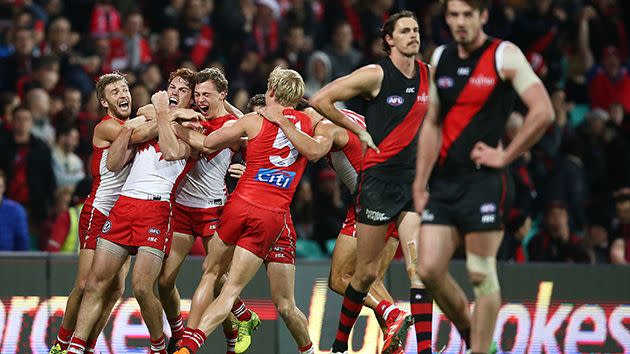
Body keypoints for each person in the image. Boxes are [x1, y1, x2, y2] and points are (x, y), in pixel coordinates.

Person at [412, 1, 554, 353]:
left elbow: (544, 111)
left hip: (484, 182)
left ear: (482, 17)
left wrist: (506, 154)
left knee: (480, 273)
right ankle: (476, 335)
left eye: (467, 15)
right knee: (428, 270)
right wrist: (420, 181)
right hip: (445, 183)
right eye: (454, 15)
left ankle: (478, 349)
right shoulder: (441, 57)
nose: (460, 22)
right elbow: (432, 123)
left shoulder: (504, 55)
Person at [170, 67, 324, 354]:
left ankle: (189, 343)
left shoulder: (253, 121)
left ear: (272, 92)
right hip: (272, 214)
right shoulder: (311, 122)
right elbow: (316, 151)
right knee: (232, 289)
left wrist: (169, 123)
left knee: (212, 274)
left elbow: (205, 143)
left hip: (240, 205)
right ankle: (190, 346)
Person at [309, 10, 431, 354]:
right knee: (365, 277)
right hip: (376, 190)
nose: (413, 35)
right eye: (404, 30)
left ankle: (422, 347)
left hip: (401, 188)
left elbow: (315, 145)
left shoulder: (322, 126)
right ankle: (354, 339)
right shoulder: (374, 76)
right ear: (389, 39)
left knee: (401, 271)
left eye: (416, 29)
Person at [65, 82, 199, 354]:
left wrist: (162, 114)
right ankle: (73, 348)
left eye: (183, 90)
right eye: (171, 86)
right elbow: (114, 163)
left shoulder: (193, 127)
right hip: (119, 207)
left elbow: (173, 150)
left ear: (192, 99)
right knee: (91, 284)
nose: (174, 92)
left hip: (156, 210)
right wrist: (160, 114)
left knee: (137, 287)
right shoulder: (140, 120)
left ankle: (158, 344)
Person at [259, 103, 406, 336]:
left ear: (307, 112)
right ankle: (405, 346)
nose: (301, 126)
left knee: (339, 279)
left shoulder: (326, 127)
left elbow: (314, 152)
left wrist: (283, 122)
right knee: (374, 282)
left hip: (371, 201)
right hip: (397, 195)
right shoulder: (351, 116)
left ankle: (391, 312)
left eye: (300, 119)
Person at [49, 73, 154, 354]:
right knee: (85, 284)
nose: (123, 94)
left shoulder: (132, 121)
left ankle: (87, 346)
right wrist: (164, 114)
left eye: (125, 89)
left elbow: (144, 122)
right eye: (115, 91)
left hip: (123, 216)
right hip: (99, 211)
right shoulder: (106, 126)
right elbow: (142, 133)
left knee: (116, 290)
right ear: (105, 102)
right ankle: (61, 345)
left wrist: (155, 112)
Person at [154, 68, 257, 354]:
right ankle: (238, 317)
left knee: (211, 277)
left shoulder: (234, 126)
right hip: (183, 209)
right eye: (196, 94)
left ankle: (189, 346)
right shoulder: (193, 116)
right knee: (164, 282)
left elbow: (255, 157)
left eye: (206, 94)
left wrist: (247, 170)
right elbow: (151, 108)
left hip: (214, 210)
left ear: (223, 94)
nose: (199, 100)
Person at [0, 169, 29, 251]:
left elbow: (22, 249)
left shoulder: (16, 211)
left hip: (7, 262)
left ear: (4, 188)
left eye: (0, 187)